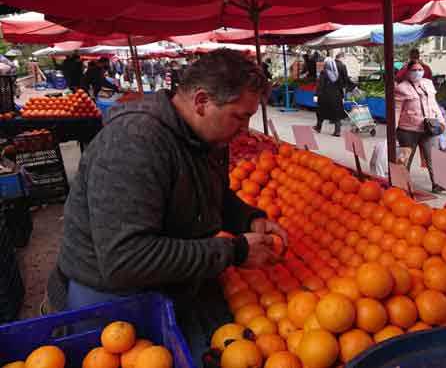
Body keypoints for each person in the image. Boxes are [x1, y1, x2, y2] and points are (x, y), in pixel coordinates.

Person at [46, 49, 286, 362]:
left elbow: (213, 194)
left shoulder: (208, 139)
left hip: (169, 282)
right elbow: (125, 260)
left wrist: (248, 220)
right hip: (109, 299)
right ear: (201, 102)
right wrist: (235, 251)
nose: (244, 129)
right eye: (239, 116)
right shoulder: (134, 144)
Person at [394, 60, 446, 193]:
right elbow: (396, 110)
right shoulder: (401, 88)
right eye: (414, 70)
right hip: (407, 130)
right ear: (408, 72)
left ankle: (437, 184)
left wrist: (441, 121)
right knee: (405, 159)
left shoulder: (428, 84)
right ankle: (401, 185)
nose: (418, 72)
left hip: (429, 128)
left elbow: (434, 104)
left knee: (433, 157)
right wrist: (392, 131)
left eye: (420, 70)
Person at [313, 55, 352, 137]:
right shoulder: (337, 74)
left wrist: (316, 95)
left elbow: (320, 85)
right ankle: (337, 131)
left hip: (325, 96)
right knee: (336, 114)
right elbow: (343, 83)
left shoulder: (324, 73)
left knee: (321, 112)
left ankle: (318, 127)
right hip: (337, 95)